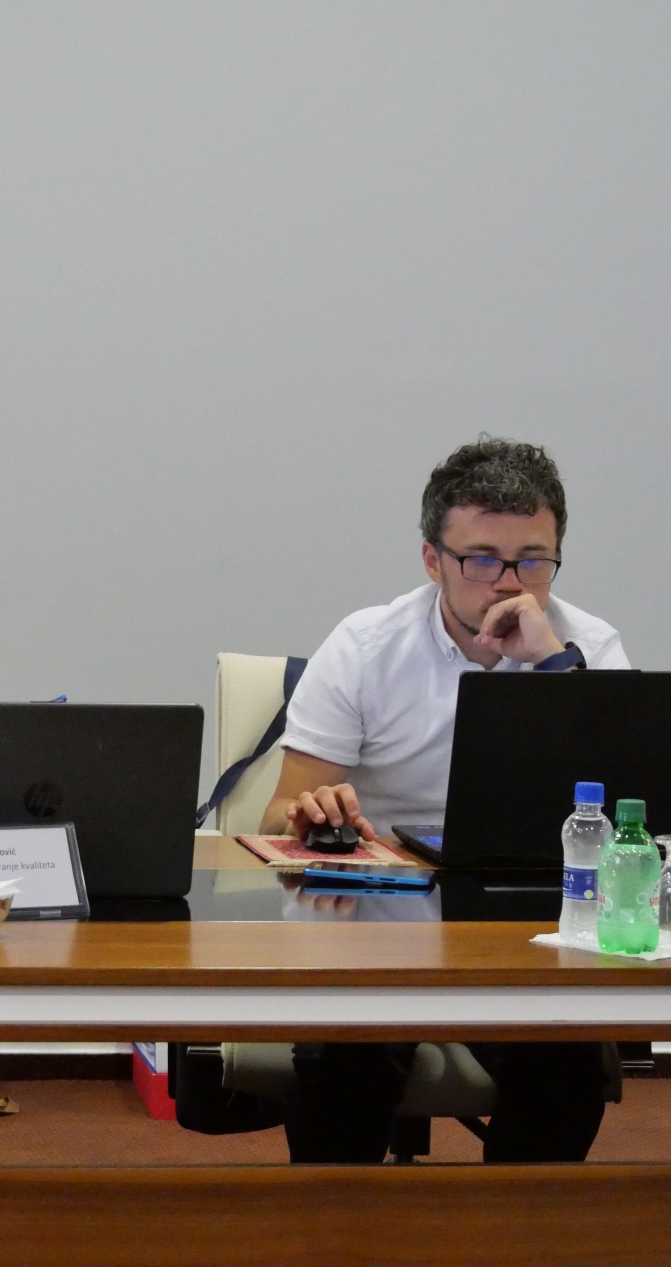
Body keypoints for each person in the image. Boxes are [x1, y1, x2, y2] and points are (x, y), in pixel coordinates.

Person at [261, 437, 626, 1164]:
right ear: (433, 560)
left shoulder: (585, 649)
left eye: (533, 559)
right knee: (344, 1068)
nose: (509, 583)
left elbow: (623, 817)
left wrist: (550, 663)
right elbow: (275, 816)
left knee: (569, 1069)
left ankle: (508, 1221)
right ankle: (335, 1222)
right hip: (373, 932)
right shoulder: (365, 646)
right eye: (481, 559)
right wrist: (315, 815)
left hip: (524, 936)